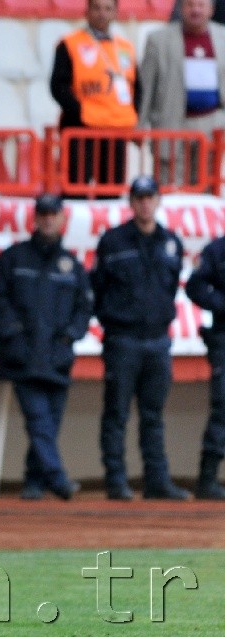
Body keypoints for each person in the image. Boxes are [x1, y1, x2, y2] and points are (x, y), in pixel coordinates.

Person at [0, 193, 92, 500]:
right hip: (22, 357)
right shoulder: (13, 258)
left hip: (57, 357)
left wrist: (70, 336)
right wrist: (14, 338)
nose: (47, 219)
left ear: (61, 219)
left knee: (49, 423)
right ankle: (58, 480)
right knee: (39, 421)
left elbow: (84, 309)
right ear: (35, 218)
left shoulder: (72, 265)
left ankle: (34, 482)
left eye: (53, 214)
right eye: (43, 214)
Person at [92, 176, 191, 500]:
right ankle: (116, 481)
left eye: (150, 197)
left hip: (158, 341)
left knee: (153, 416)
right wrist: (113, 322)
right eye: (139, 197)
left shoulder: (171, 242)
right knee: (116, 414)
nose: (145, 203)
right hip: (122, 340)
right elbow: (98, 289)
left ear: (158, 201)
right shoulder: (113, 241)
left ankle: (156, 481)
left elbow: (171, 286)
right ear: (131, 202)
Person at [49, 0, 140, 196]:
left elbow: (136, 86)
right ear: (87, 11)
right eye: (97, 8)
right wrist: (80, 113)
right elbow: (58, 86)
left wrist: (133, 116)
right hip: (82, 130)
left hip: (116, 130)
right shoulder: (70, 43)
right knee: (76, 189)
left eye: (108, 9)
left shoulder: (126, 47)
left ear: (115, 12)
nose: (102, 13)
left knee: (111, 192)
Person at [138, 0, 225, 186]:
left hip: (211, 123)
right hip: (171, 122)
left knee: (206, 183)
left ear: (211, 9)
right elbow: (145, 88)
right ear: (181, 8)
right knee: (169, 184)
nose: (195, 10)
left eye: (201, 5)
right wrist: (139, 125)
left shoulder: (222, 37)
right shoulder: (158, 40)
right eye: (190, 5)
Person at [182, 229, 225, 498]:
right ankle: (208, 479)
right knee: (223, 409)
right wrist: (221, 304)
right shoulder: (218, 250)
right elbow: (195, 286)